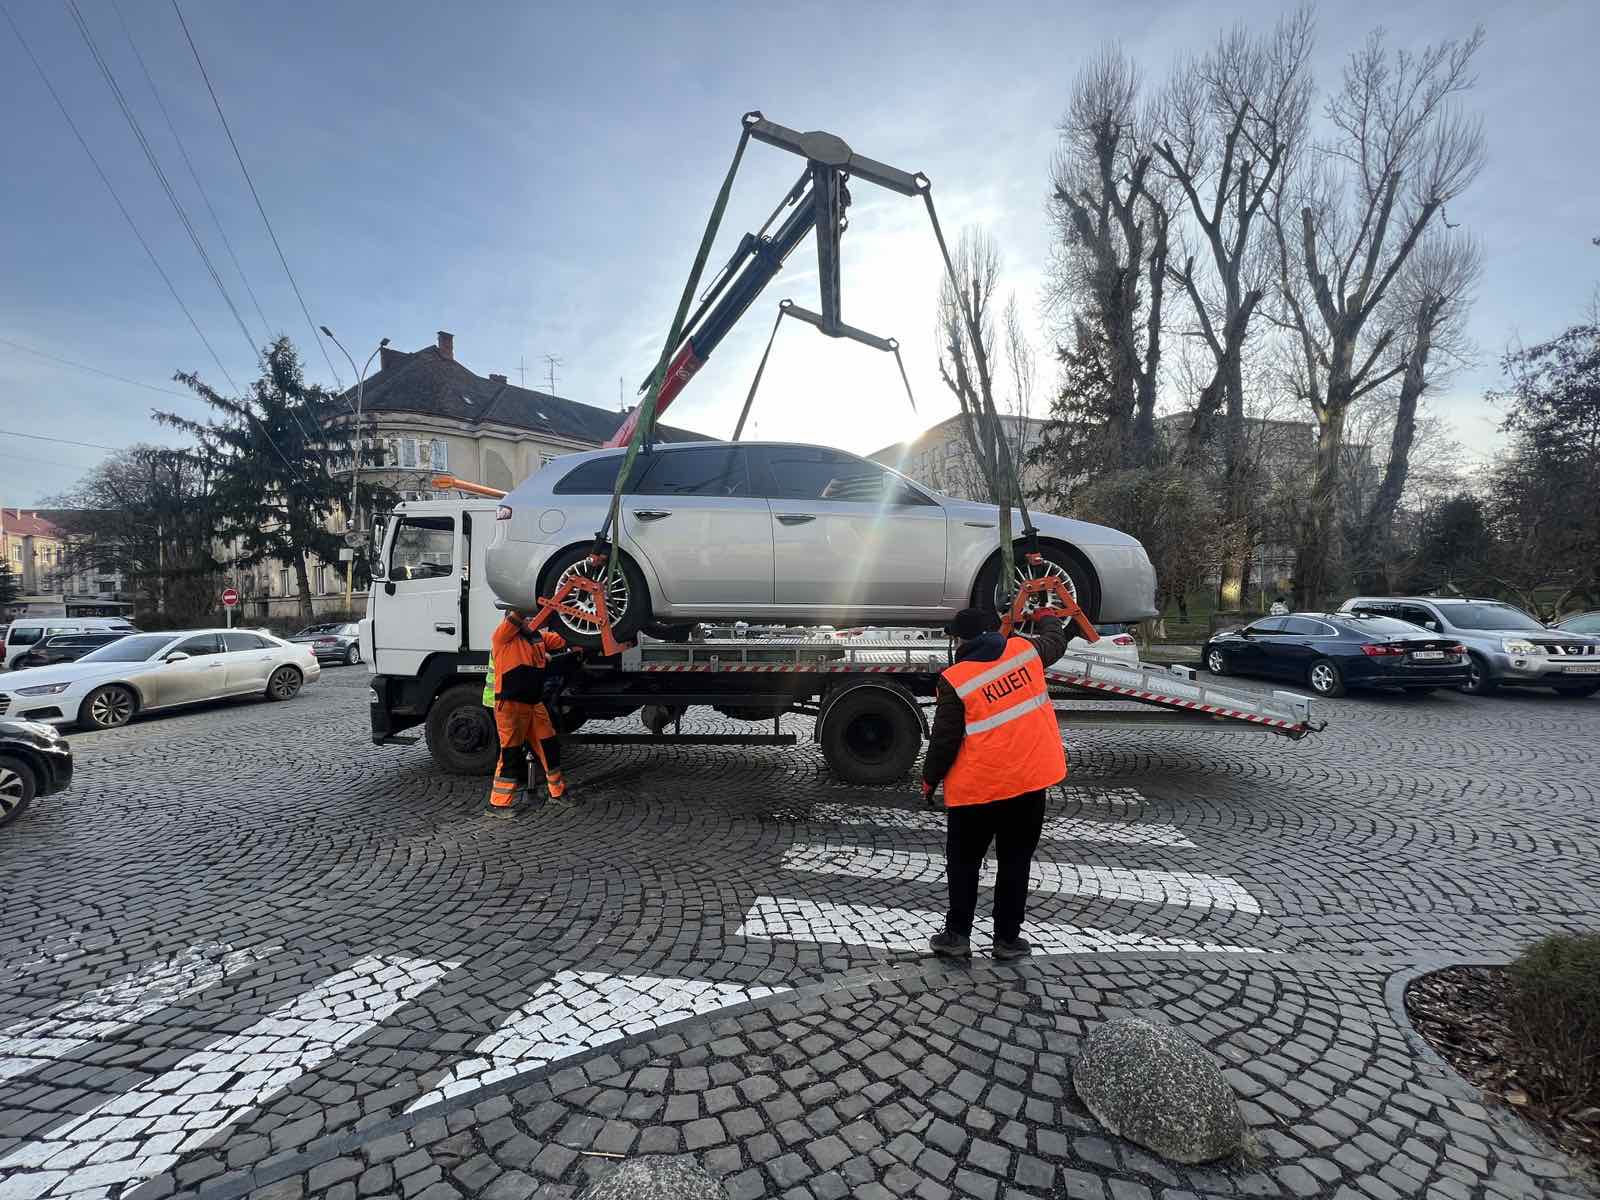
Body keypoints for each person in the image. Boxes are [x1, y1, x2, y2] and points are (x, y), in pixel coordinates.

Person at [922, 606, 1068, 960]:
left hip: (979, 790)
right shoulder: (1025, 653)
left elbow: (944, 740)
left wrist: (929, 781)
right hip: (1030, 783)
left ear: (960, 640)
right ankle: (1007, 940)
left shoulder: (955, 679)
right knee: (1015, 861)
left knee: (964, 863)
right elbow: (1056, 640)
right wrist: (1046, 615)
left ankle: (957, 936)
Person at [486, 608, 580, 813]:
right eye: (527, 618)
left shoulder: (538, 637)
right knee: (510, 753)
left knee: (549, 746)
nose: (531, 620)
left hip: (533, 703)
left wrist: (586, 632)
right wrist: (528, 599)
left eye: (533, 617)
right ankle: (498, 804)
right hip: (510, 705)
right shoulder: (502, 636)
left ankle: (557, 792)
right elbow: (518, 613)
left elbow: (565, 638)